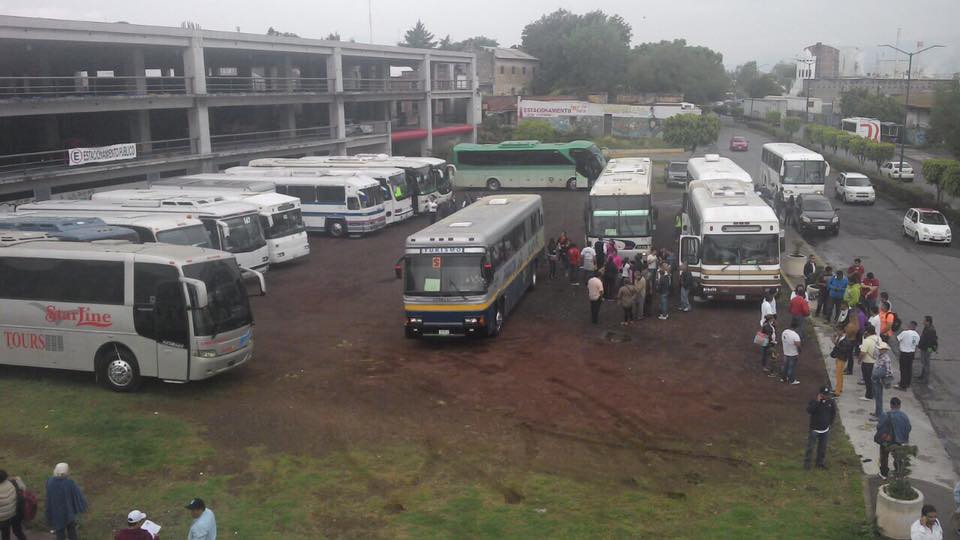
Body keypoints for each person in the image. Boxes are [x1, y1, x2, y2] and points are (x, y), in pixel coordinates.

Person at [45, 463, 87, 540]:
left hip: (56, 512)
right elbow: (77, 495)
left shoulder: (50, 481)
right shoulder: (69, 483)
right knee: (72, 532)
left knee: (59, 533)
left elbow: (48, 495)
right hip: (68, 512)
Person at [876, 397, 912, 480]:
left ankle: (884, 474)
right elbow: (908, 428)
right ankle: (898, 474)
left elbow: (879, 426)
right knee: (897, 458)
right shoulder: (904, 416)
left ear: (891, 405)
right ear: (900, 405)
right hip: (899, 441)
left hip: (887, 441)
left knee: (884, 457)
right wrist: (904, 438)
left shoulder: (885, 415)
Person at [804, 385, 837, 470]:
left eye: (827, 394)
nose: (826, 396)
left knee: (822, 448)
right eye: (824, 394)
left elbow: (833, 413)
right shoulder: (814, 401)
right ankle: (807, 465)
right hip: (814, 429)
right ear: (820, 394)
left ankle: (820, 463)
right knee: (810, 448)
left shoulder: (830, 402)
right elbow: (809, 410)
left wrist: (830, 423)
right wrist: (817, 402)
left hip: (825, 429)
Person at [0, 470, 27, 540]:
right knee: (18, 531)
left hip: (3, 519)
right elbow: (23, 488)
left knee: (5, 534)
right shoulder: (13, 483)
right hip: (15, 513)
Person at [872, 340, 894, 420]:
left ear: (885, 350)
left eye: (881, 349)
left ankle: (879, 414)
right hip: (877, 378)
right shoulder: (880, 356)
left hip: (880, 379)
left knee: (879, 397)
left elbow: (888, 370)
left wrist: (883, 378)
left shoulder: (886, 358)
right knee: (877, 396)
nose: (880, 350)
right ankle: (877, 412)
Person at [896, 321, 921, 390]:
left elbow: (897, 339)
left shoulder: (905, 332)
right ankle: (907, 383)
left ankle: (902, 385)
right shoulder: (917, 335)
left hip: (904, 353)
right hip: (911, 353)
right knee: (909, 369)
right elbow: (916, 345)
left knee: (903, 369)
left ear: (911, 325)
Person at [859, 324, 881, 403]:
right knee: (874, 380)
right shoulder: (879, 338)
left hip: (867, 363)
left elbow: (862, 353)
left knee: (867, 380)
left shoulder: (867, 340)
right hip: (876, 362)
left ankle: (868, 395)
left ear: (867, 332)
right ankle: (874, 394)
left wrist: (859, 360)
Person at [917, 316, 938, 385]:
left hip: (926, 349)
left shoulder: (931, 330)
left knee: (926, 364)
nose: (923, 322)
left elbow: (932, 341)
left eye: (924, 321)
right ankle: (922, 376)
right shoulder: (926, 327)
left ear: (928, 322)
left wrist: (929, 350)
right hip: (924, 348)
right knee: (924, 363)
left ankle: (925, 380)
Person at [781, 318, 802, 385]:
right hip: (793, 354)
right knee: (791, 367)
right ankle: (791, 380)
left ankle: (783, 378)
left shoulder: (784, 332)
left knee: (785, 366)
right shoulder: (795, 335)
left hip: (785, 352)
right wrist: (799, 352)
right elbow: (798, 345)